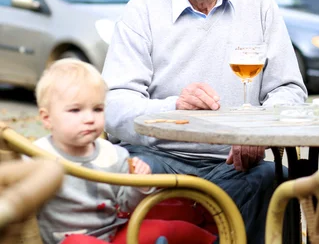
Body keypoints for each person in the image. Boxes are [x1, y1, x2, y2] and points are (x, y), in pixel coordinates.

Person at [102, 0, 307, 243]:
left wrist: (255, 131)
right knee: (124, 175)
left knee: (275, 178)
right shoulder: (142, 12)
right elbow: (113, 106)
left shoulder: (258, 3)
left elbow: (288, 89)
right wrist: (173, 109)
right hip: (158, 159)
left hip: (234, 163)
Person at [33, 59, 215, 244]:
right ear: (47, 119)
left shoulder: (113, 154)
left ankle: (218, 239)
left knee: (170, 228)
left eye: (97, 109)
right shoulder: (39, 154)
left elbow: (126, 204)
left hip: (113, 234)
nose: (89, 118)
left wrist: (139, 186)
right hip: (67, 240)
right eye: (75, 110)